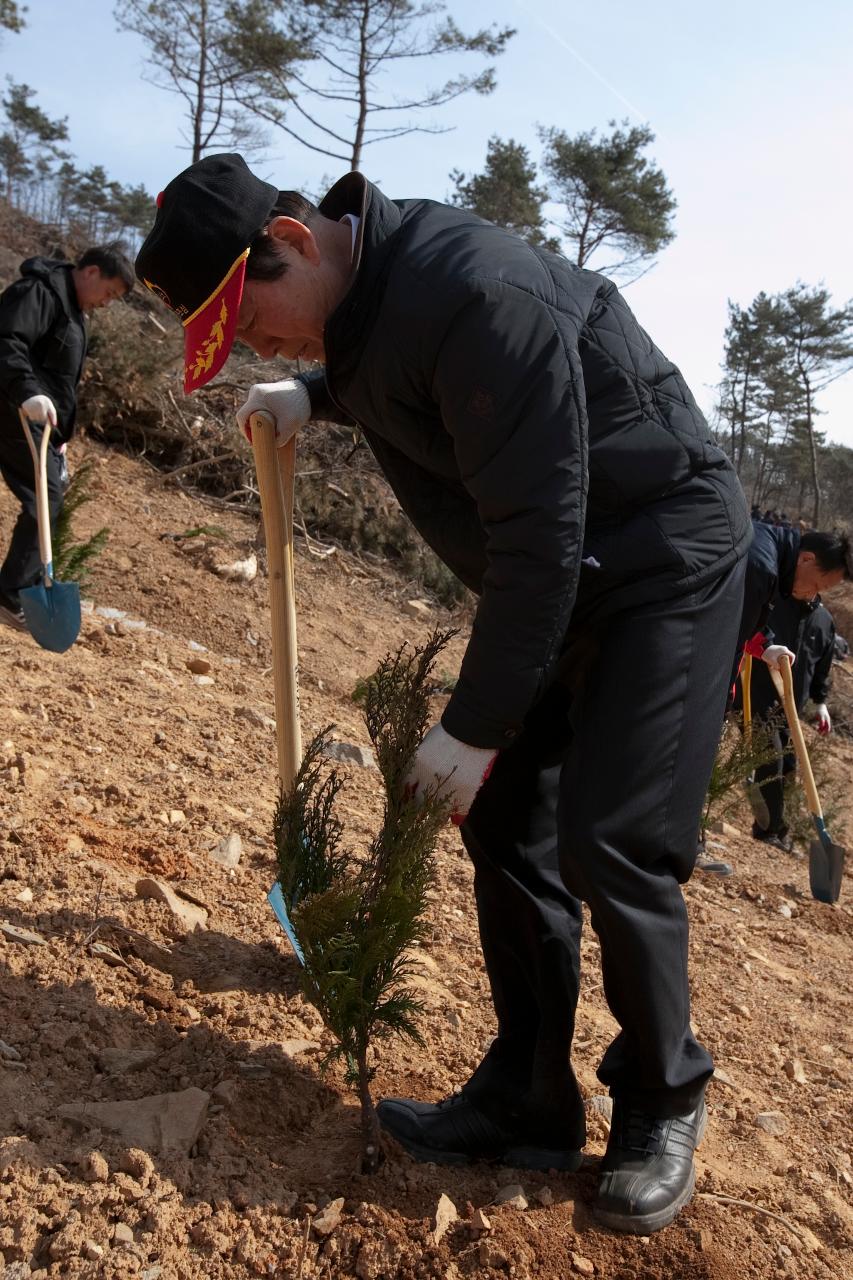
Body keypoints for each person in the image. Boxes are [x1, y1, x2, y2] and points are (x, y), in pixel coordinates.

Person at [136, 153, 752, 1235]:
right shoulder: (364, 302)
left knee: (612, 835)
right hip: (569, 568)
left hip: (661, 557)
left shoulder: (474, 292)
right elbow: (389, 363)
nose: (258, 345)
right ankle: (527, 1094)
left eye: (255, 320)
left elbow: (539, 537)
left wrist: (473, 726)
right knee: (508, 824)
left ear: (292, 231)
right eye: (236, 345)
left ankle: (661, 1097)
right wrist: (312, 393)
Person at [0, 244, 133, 630]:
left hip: (37, 423)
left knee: (48, 495)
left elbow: (57, 375)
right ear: (90, 271)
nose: (107, 303)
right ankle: (10, 595)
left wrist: (60, 439)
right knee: (45, 498)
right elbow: (7, 341)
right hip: (14, 411)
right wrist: (27, 392)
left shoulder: (73, 310)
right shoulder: (39, 293)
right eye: (109, 292)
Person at [737, 594, 836, 851]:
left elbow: (821, 668)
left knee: (790, 765)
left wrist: (821, 703)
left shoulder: (824, 620)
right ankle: (767, 830)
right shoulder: (775, 605)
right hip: (758, 698)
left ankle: (780, 829)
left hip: (791, 707)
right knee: (772, 758)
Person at [734, 520, 851, 679]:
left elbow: (744, 617)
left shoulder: (767, 544)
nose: (811, 596)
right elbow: (729, 644)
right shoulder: (762, 571)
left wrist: (765, 647)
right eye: (815, 585)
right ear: (806, 559)